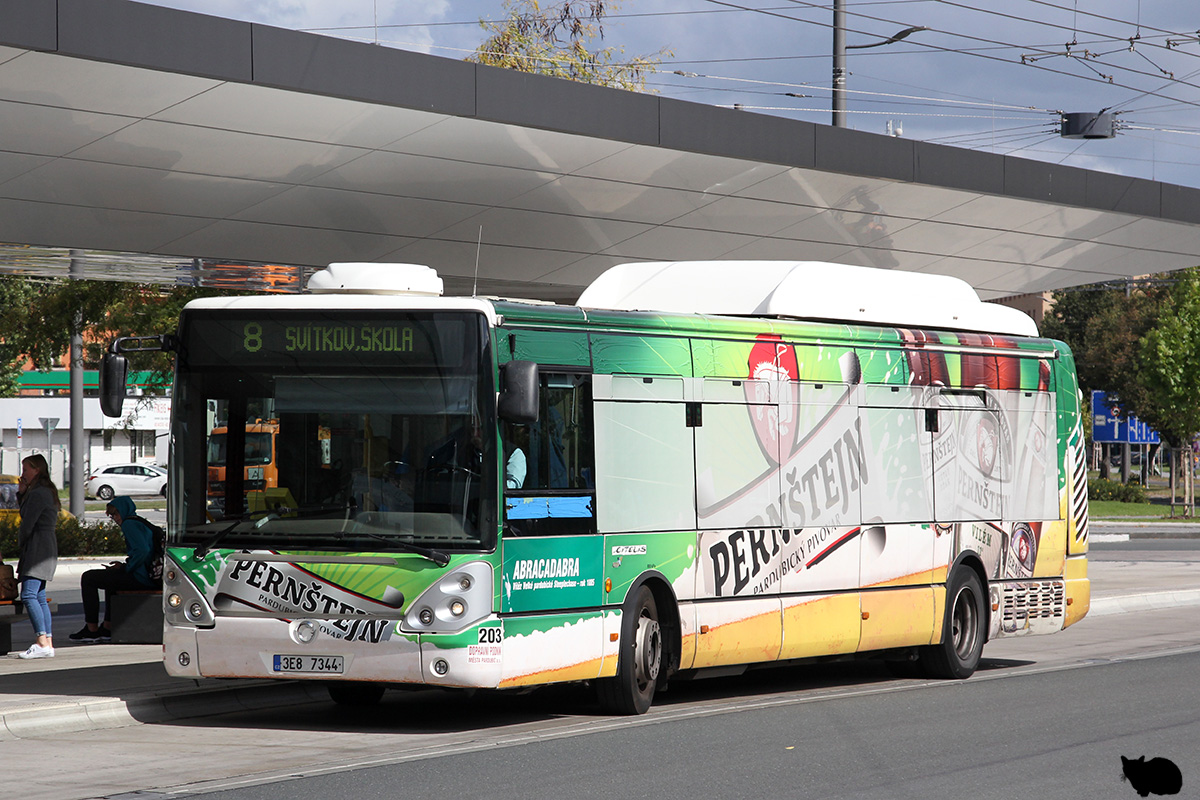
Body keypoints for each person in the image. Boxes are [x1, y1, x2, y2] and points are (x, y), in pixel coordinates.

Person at [69, 496, 159, 643]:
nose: (115, 519)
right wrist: (122, 567)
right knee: (111, 579)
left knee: (88, 578)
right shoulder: (139, 521)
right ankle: (107, 628)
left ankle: (92, 629)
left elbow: (142, 551)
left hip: (142, 577)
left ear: (123, 511)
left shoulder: (129, 524)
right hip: (149, 575)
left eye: (116, 514)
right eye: (112, 516)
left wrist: (127, 568)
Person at [15, 454, 59, 659]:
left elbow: (27, 523)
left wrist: (20, 543)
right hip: (46, 546)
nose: (23, 474)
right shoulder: (43, 491)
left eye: (26, 470)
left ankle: (41, 641)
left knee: (29, 594)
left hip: (38, 547)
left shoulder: (38, 493)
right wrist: (22, 493)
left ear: (37, 470)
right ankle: (47, 642)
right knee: (39, 595)